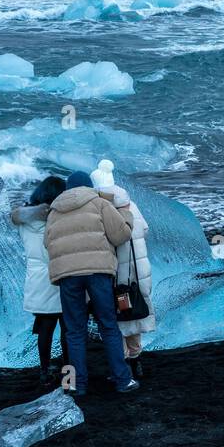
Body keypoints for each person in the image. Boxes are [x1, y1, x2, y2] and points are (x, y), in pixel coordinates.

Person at [45, 170, 138, 396]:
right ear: (89, 186)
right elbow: (120, 235)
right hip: (98, 271)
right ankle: (122, 380)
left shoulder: (54, 211)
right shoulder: (99, 203)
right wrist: (127, 216)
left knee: (75, 331)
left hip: (67, 275)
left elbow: (48, 243)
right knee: (108, 325)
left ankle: (77, 384)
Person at [89, 160, 156, 377]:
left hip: (118, 273)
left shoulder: (101, 206)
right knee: (134, 311)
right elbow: (144, 229)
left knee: (116, 315)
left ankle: (124, 362)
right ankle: (136, 358)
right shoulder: (130, 203)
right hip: (138, 269)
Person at [10, 175, 68, 383]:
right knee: (67, 330)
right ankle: (68, 375)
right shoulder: (57, 219)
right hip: (60, 276)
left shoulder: (25, 219)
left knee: (45, 329)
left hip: (36, 279)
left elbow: (14, 215)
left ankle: (44, 371)